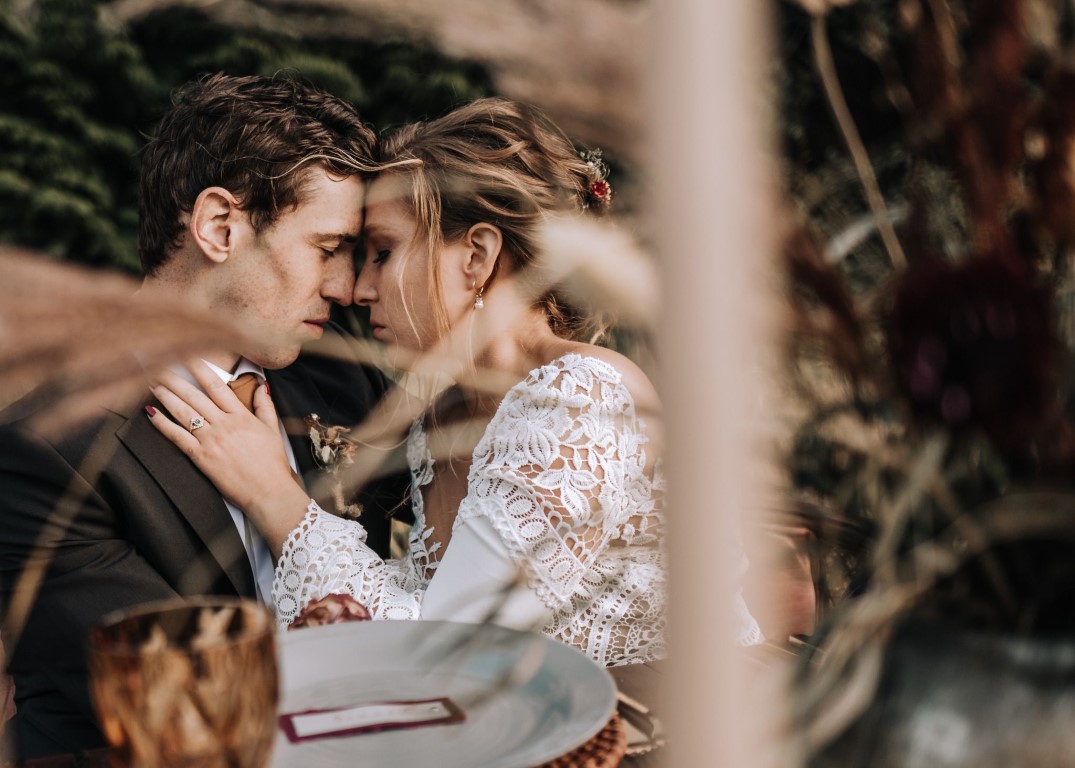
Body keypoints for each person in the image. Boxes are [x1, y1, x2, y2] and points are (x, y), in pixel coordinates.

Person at [147, 97, 675, 667]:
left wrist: (276, 499)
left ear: (476, 256)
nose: (356, 288)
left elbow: (456, 650)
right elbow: (416, 606)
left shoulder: (579, 398)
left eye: (382, 252)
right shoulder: (436, 415)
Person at [0, 73, 403, 758]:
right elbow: (187, 697)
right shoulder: (47, 448)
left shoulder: (342, 386)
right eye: (326, 249)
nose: (343, 288)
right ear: (221, 227)